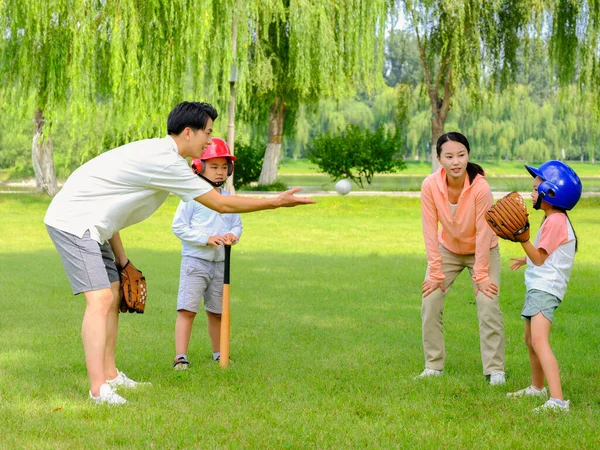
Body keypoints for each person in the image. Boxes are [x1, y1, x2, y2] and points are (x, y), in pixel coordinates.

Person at [44, 101, 314, 405]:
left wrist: (123, 260)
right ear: (188, 132)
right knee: (101, 298)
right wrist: (276, 202)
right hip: (72, 222)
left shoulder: (158, 153)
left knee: (115, 291)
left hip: (95, 226)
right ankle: (98, 390)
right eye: (207, 133)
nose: (210, 141)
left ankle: (110, 374)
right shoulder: (166, 162)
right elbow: (221, 204)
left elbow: (110, 205)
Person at [417, 132, 505, 385]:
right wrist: (435, 272)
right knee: (430, 300)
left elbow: (484, 231)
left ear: (468, 155)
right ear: (439, 159)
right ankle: (433, 365)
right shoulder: (430, 185)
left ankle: (495, 370)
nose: (456, 161)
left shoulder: (481, 187)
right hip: (448, 250)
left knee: (488, 303)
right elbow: (429, 229)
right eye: (449, 156)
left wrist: (481, 274)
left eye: (461, 155)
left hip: (484, 249)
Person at [506, 160, 582, 412]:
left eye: (536, 187)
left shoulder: (556, 221)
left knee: (539, 341)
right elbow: (540, 254)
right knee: (530, 339)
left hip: (545, 288)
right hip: (539, 286)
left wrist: (522, 238)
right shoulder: (553, 219)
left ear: (551, 193)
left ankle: (558, 401)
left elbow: (540, 257)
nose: (531, 191)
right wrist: (524, 256)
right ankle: (537, 388)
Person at [172, 138, 242, 369]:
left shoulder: (228, 199)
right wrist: (206, 239)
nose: (220, 172)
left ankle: (218, 353)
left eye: (224, 167)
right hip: (195, 262)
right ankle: (180, 356)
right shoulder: (192, 197)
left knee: (216, 313)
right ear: (199, 167)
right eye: (214, 167)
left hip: (220, 263)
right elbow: (179, 227)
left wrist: (232, 235)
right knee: (187, 310)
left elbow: (236, 224)